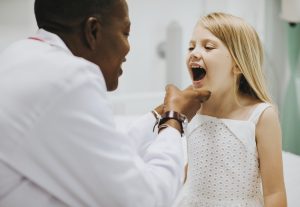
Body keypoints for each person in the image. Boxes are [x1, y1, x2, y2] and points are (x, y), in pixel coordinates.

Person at [0, 0, 211, 206]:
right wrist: (173, 120)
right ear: (93, 31)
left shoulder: (21, 55)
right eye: (125, 33)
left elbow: (99, 152)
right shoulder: (70, 78)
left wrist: (157, 116)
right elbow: (144, 199)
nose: (128, 49)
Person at [173, 12, 287, 207]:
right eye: (191, 46)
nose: (194, 52)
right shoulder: (191, 108)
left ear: (237, 64)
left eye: (208, 47)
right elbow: (191, 170)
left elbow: (274, 191)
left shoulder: (261, 115)